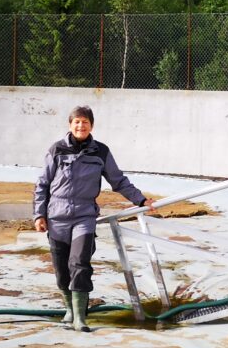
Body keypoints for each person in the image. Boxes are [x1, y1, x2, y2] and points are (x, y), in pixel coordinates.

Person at [33, 105, 147, 331]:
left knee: (79, 263)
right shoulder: (56, 150)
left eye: (85, 122)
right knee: (61, 269)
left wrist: (141, 200)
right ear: (70, 125)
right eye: (77, 122)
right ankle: (70, 310)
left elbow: (118, 181)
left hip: (84, 216)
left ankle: (80, 319)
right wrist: (39, 214)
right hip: (57, 218)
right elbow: (42, 184)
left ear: (91, 126)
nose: (81, 126)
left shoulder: (100, 152)